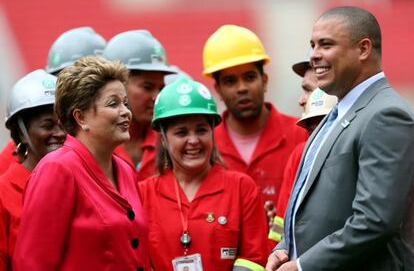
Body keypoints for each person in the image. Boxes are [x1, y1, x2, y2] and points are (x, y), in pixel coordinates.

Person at [266, 6, 414, 271]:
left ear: (363, 49)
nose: (314, 56)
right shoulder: (335, 113)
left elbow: (374, 221)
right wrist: (285, 247)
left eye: (326, 44)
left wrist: (302, 266)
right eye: (312, 45)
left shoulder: (386, 115)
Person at [13, 56, 150, 270]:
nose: (125, 112)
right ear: (81, 117)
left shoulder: (124, 169)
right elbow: (32, 263)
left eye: (125, 103)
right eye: (113, 103)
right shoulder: (56, 169)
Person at [139, 77, 268, 270]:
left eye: (201, 130)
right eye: (181, 133)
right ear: (164, 139)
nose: (193, 141)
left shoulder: (242, 188)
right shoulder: (143, 194)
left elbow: (254, 259)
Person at [202, 25, 308, 226]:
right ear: (218, 89)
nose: (242, 88)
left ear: (265, 80)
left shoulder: (301, 135)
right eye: (230, 81)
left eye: (249, 77)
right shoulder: (204, 146)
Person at [0, 26, 106, 176]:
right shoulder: (10, 161)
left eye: (97, 85)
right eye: (75, 83)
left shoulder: (106, 140)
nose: (83, 93)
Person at [0, 70, 66, 270]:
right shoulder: (3, 195)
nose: (60, 133)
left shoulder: (84, 181)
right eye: (48, 125)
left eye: (64, 124)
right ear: (21, 131)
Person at [103, 30, 177, 181]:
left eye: (161, 88)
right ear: (118, 85)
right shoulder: (93, 144)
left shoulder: (171, 141)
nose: (157, 97)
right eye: (147, 87)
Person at [269, 88, 337, 243]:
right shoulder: (300, 155)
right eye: (312, 129)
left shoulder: (355, 153)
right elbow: (281, 224)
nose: (318, 136)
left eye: (325, 126)